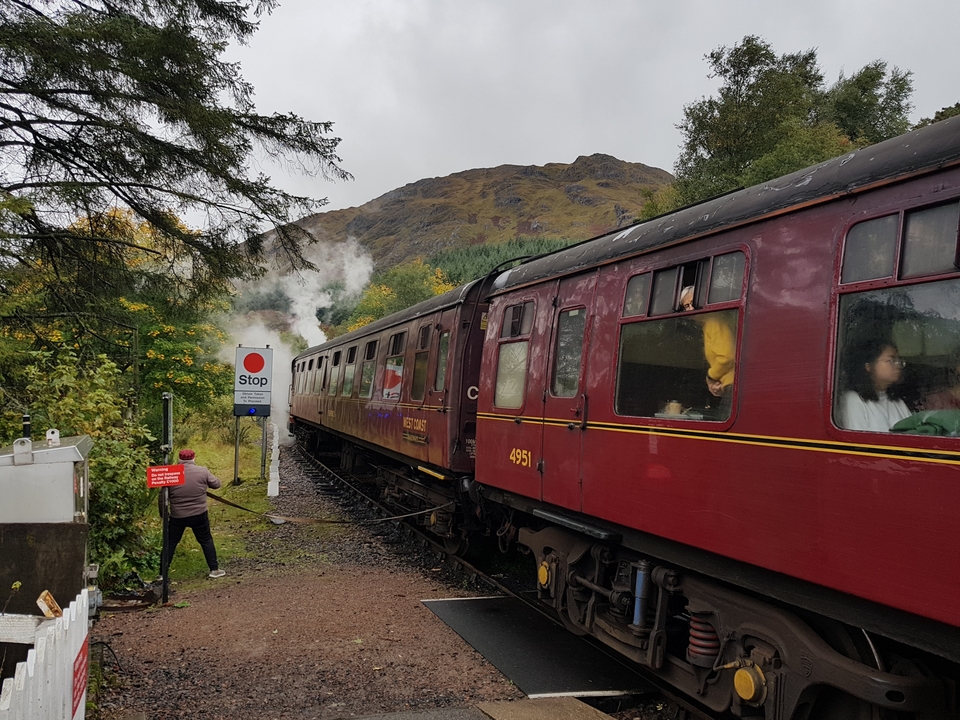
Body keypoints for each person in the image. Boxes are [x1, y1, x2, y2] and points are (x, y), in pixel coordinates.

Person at [161, 448, 225, 578]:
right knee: (206, 540)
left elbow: (162, 496)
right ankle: (214, 569)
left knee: (170, 543)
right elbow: (217, 484)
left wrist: (163, 514)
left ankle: (162, 574)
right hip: (199, 514)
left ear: (179, 459)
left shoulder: (171, 473)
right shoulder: (202, 471)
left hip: (178, 516)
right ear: (193, 458)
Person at [838, 339, 911, 432]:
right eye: (891, 360)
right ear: (868, 366)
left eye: (898, 360)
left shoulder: (898, 402)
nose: (898, 365)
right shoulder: (853, 400)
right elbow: (856, 439)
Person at [680, 286, 736, 402]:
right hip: (727, 385)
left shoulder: (713, 321)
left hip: (732, 385)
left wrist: (710, 376)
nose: (691, 308)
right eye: (687, 306)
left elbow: (727, 357)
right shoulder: (707, 324)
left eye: (693, 303)